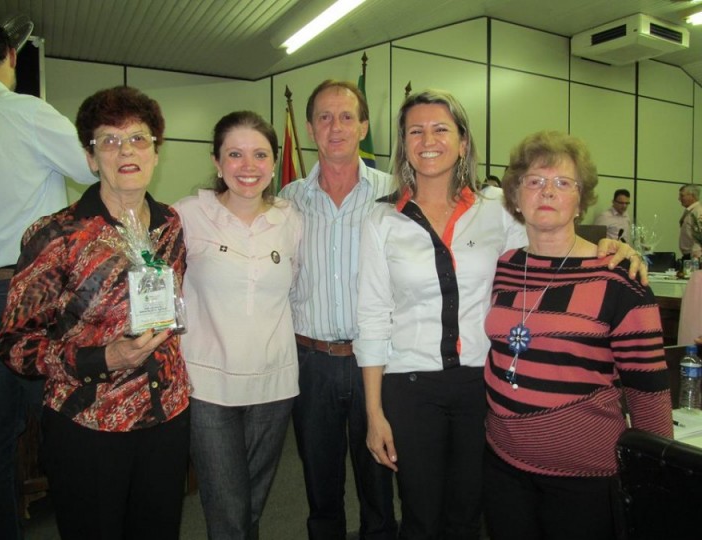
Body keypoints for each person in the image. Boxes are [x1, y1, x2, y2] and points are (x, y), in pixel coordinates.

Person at [353, 90, 646, 540]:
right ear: (404, 143)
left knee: (469, 514)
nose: (428, 139)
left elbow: (552, 236)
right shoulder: (381, 221)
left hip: (480, 386)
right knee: (419, 515)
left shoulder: (496, 212)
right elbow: (372, 317)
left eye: (441, 129)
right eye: (416, 130)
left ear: (463, 141)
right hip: (409, 387)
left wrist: (613, 246)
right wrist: (373, 412)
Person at [0, 86, 191, 540]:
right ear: (89, 157)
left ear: (156, 153)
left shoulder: (170, 225)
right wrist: (104, 358)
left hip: (166, 416)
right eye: (109, 140)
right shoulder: (56, 235)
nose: (126, 150)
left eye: (139, 138)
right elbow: (14, 345)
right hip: (90, 424)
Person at [484, 130, 673, 540]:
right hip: (502, 465)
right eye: (534, 181)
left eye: (562, 183)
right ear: (515, 196)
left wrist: (657, 482)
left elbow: (649, 393)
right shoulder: (505, 265)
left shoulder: (620, 279)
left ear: (580, 199)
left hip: (585, 477)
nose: (547, 191)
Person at [0, 19, 97, 539]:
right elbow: (97, 166)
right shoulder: (24, 111)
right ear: (11, 53)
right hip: (32, 296)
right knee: (65, 424)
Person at [174, 111, 302, 540]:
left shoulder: (292, 220)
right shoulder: (187, 215)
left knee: (251, 506)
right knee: (227, 509)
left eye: (260, 154)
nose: (248, 166)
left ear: (273, 160)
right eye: (235, 154)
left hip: (274, 384)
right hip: (208, 385)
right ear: (216, 161)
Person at [279, 80, 398, 540]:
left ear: (364, 126)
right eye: (325, 117)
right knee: (320, 491)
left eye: (347, 117)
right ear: (309, 128)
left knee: (379, 488)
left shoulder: (396, 196)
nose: (336, 127)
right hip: (311, 365)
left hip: (379, 363)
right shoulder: (286, 201)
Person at [678, 183, 702, 260]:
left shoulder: (698, 212)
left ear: (692, 196)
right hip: (689, 256)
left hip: (695, 257)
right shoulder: (691, 211)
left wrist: (696, 256)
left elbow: (700, 236)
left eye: (682, 196)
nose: (679, 199)